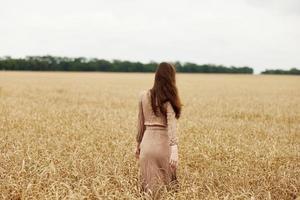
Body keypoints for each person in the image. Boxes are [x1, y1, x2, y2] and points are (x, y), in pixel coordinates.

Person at [135, 62, 182, 197]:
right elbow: (172, 126)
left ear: (156, 76)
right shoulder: (169, 100)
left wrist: (138, 144)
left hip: (146, 145)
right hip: (163, 146)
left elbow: (140, 122)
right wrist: (174, 149)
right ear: (171, 78)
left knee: (148, 189)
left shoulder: (143, 96)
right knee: (168, 189)